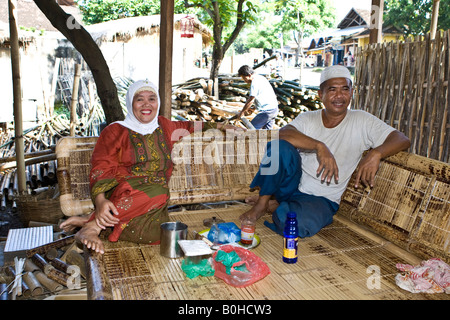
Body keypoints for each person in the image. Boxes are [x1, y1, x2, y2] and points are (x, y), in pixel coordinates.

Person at [60, 79, 240, 254]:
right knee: (158, 190)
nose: (146, 104)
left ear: (158, 103)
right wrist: (100, 202)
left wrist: (223, 126)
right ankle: (92, 227)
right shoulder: (115, 130)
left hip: (155, 200)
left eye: (151, 99)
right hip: (123, 192)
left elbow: (191, 126)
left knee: (156, 235)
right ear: (131, 103)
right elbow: (101, 168)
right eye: (140, 99)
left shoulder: (164, 126)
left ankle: (89, 220)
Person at [239, 65, 411, 237]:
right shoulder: (308, 118)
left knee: (297, 226)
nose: (339, 96)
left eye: (345, 89)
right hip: (291, 185)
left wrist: (376, 153)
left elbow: (402, 139)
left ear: (352, 92)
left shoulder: (362, 120)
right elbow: (282, 134)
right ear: (321, 95)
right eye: (332, 90)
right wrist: (319, 146)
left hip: (320, 199)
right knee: (278, 147)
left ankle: (277, 205)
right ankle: (262, 204)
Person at [237, 65, 279, 129]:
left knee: (251, 129)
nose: (245, 81)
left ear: (249, 75)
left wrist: (242, 112)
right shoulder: (260, 78)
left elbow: (251, 100)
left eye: (244, 78)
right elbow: (263, 95)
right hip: (274, 109)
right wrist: (254, 107)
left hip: (267, 111)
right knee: (267, 134)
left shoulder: (254, 82)